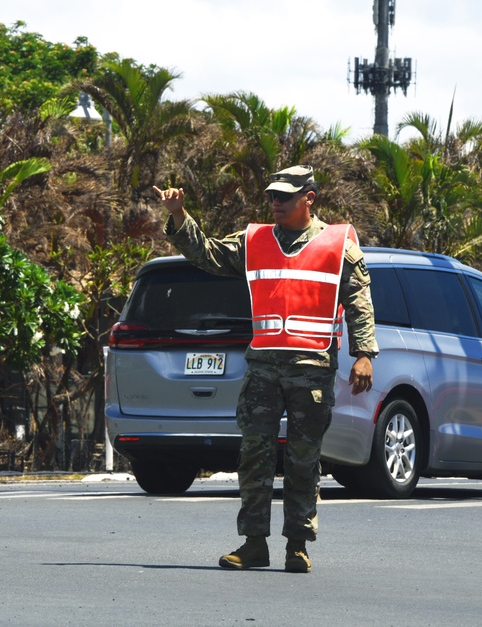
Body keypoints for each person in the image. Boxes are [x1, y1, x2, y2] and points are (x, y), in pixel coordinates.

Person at [153, 165, 378, 574]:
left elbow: (359, 301)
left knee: (303, 459)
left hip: (312, 368)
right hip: (262, 367)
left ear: (308, 198)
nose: (275, 202)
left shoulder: (338, 243)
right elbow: (209, 255)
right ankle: (253, 543)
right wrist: (179, 218)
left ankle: (298, 546)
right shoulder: (254, 239)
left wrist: (364, 353)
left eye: (285, 197)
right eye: (273, 195)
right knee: (254, 454)